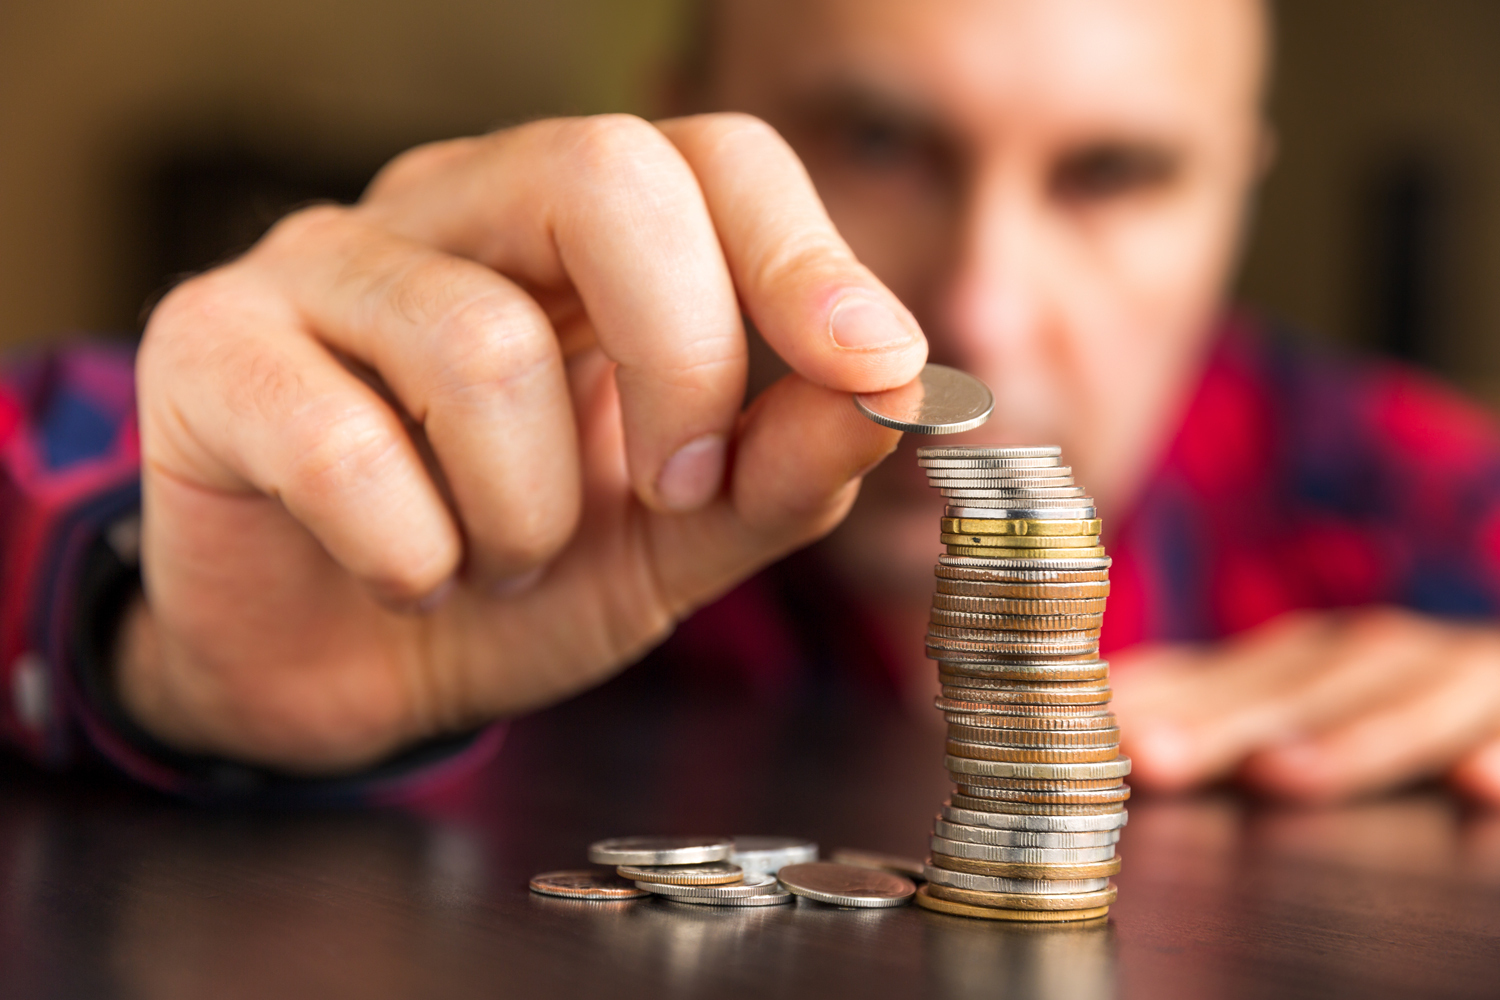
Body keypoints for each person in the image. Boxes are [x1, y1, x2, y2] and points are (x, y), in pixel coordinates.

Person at [3, 0, 1499, 803]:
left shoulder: (1428, 507)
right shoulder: (453, 415)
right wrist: (145, 640)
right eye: (878, 137)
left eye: (1114, 174)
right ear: (683, 115)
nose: (976, 304)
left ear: (1237, 185)